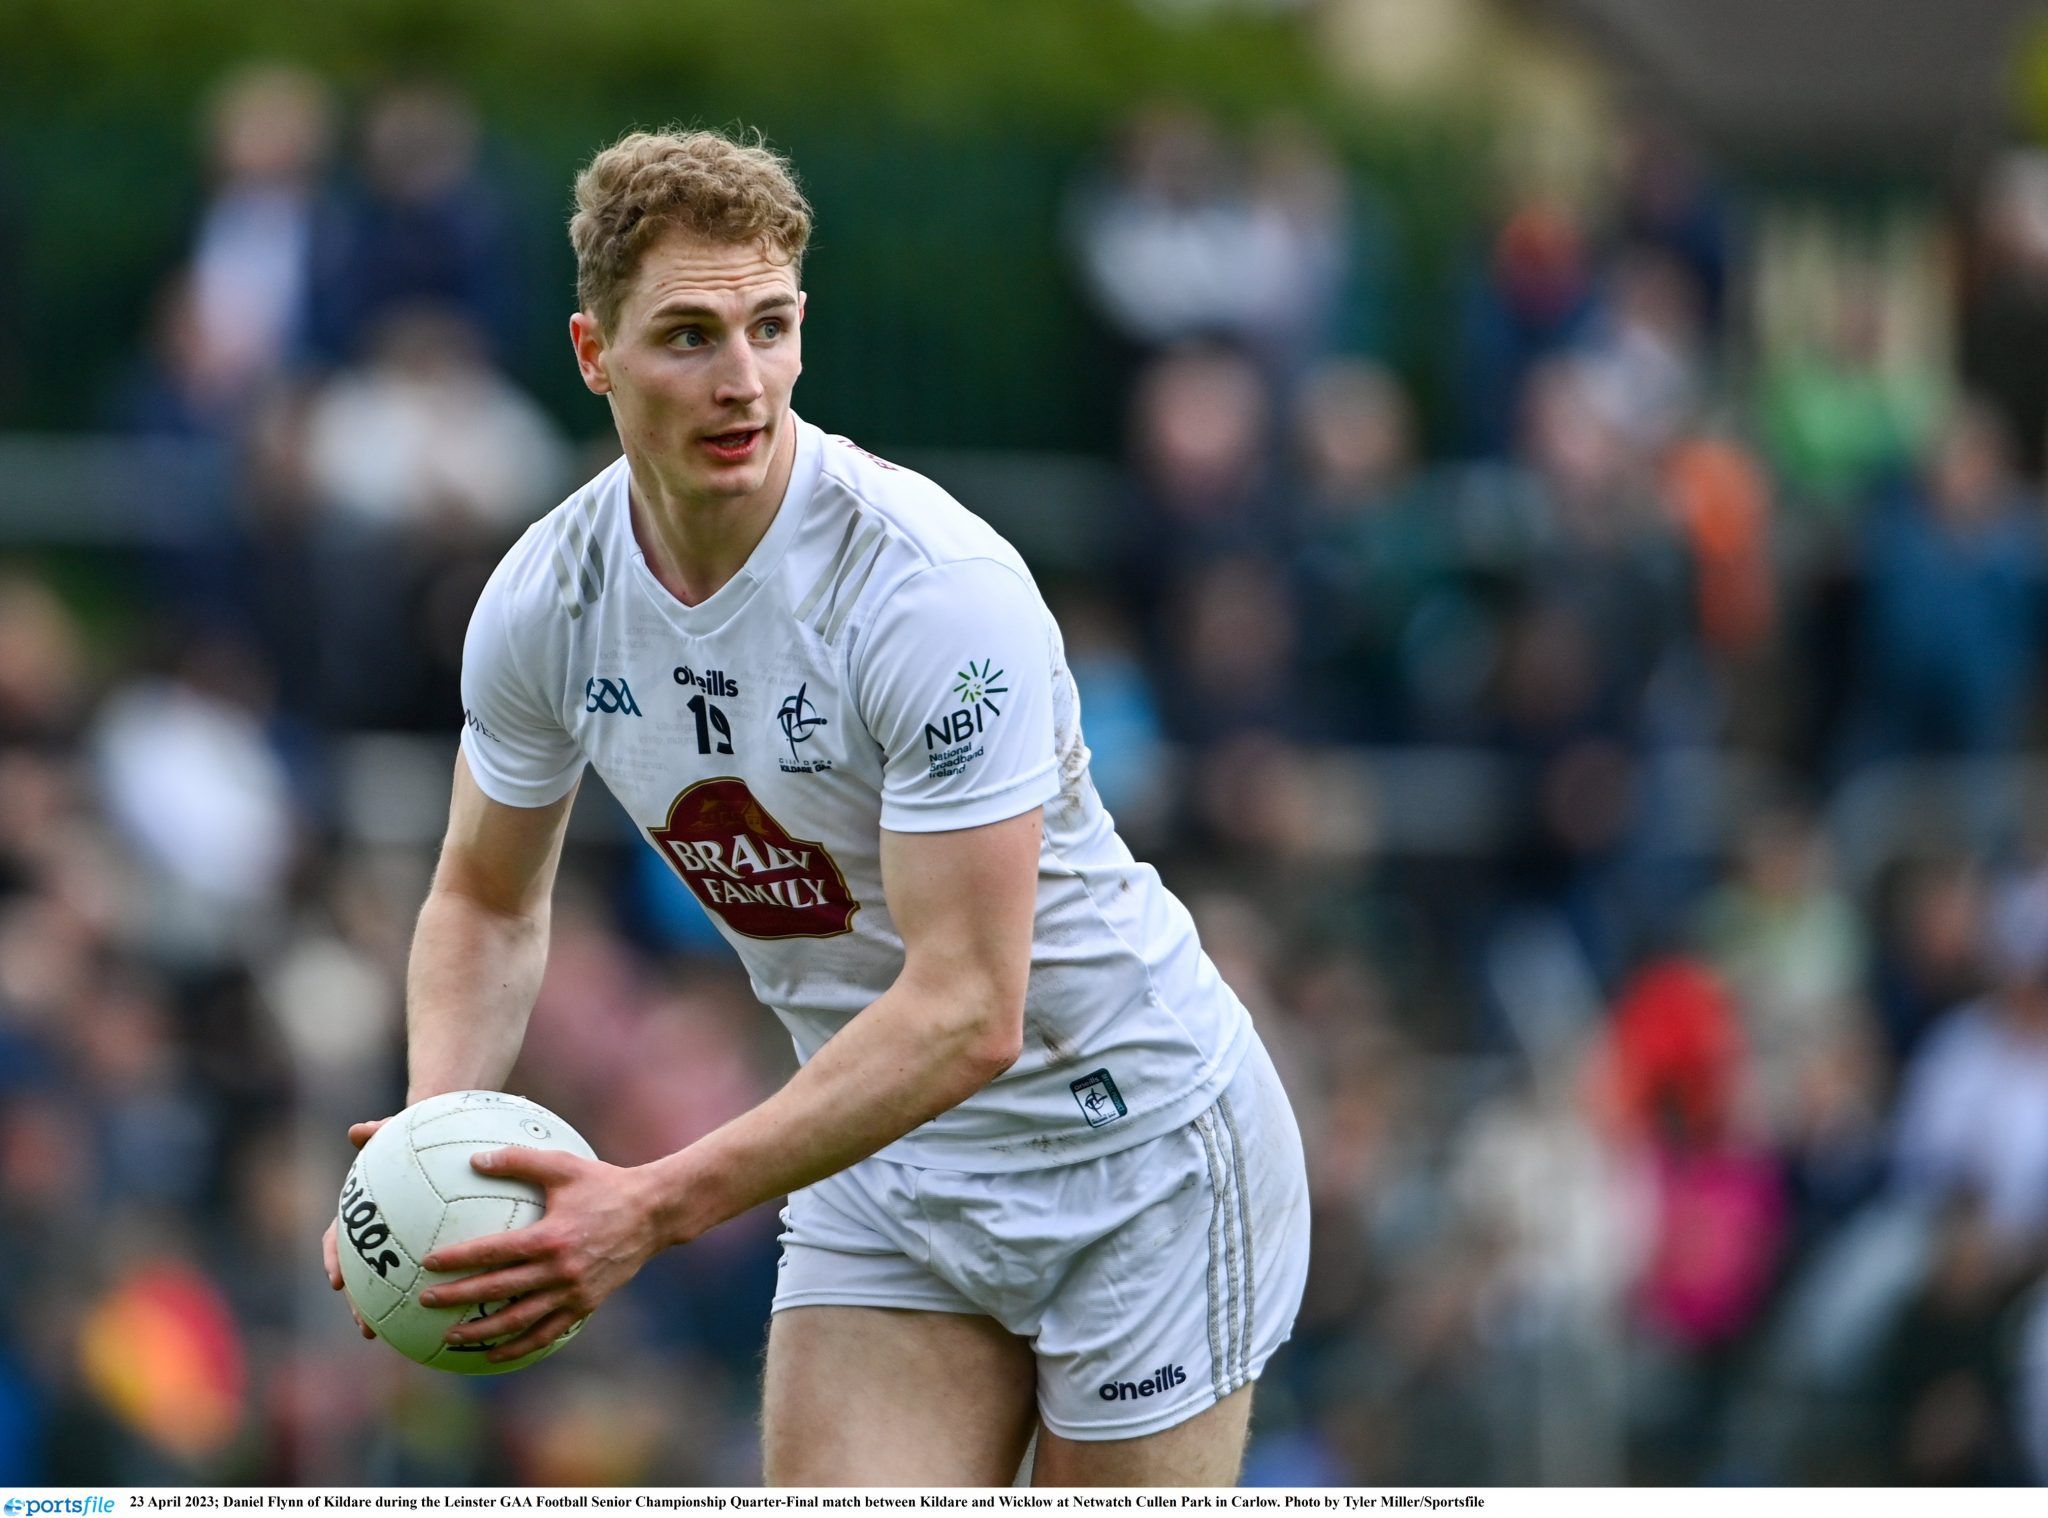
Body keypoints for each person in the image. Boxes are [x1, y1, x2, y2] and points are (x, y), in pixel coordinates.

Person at [319, 126, 1309, 1486]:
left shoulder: (930, 593)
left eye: (770, 328)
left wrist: (651, 1206)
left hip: (1136, 1159)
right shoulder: (546, 602)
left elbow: (968, 1009)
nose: (742, 380)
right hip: (885, 1158)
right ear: (593, 354)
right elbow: (486, 898)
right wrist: (433, 1156)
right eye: (689, 336)